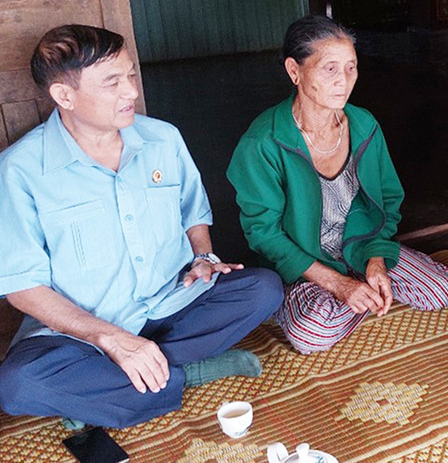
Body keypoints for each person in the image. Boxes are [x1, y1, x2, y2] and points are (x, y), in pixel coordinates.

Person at [0, 25, 284, 429]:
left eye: (130, 75)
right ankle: (189, 374)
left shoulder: (162, 139)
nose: (131, 91)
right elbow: (23, 286)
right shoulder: (19, 171)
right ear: (64, 95)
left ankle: (104, 391)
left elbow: (193, 211)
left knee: (263, 290)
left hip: (170, 302)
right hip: (80, 334)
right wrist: (111, 338)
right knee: (17, 386)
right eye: (112, 82)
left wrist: (203, 256)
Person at [227, 15, 448, 354]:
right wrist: (338, 284)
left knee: (442, 290)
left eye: (351, 67)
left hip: (359, 247)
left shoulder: (363, 124)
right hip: (305, 263)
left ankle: (357, 294)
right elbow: (264, 233)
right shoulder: (264, 142)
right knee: (312, 335)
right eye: (330, 69)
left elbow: (389, 199)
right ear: (295, 71)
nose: (344, 81)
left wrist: (377, 260)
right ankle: (305, 300)